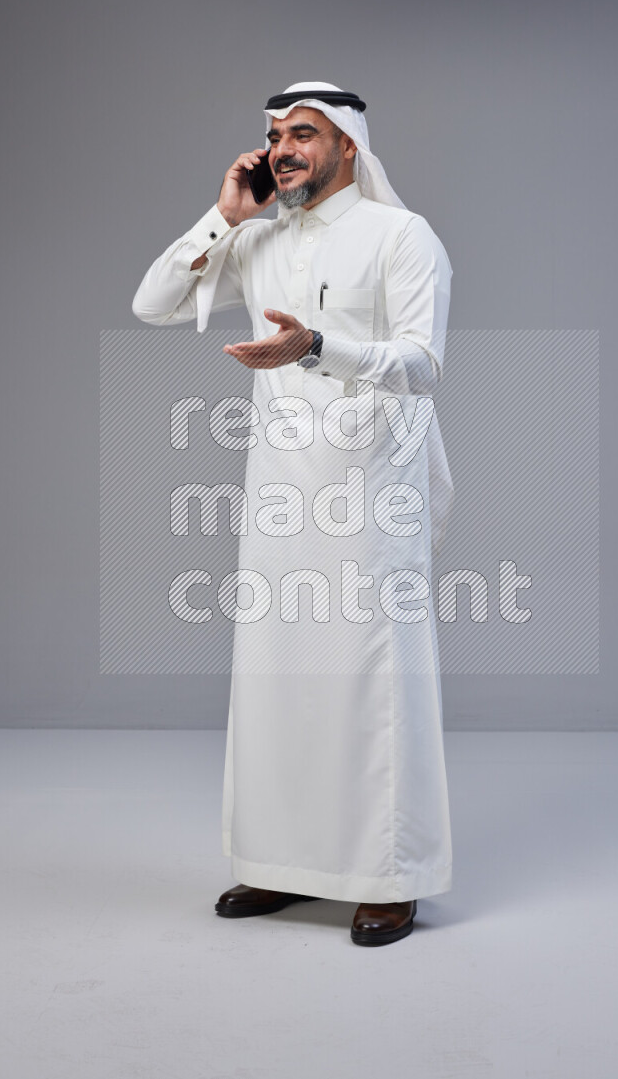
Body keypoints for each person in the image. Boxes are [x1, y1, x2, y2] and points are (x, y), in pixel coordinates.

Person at [133, 82, 454, 946]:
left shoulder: (402, 236)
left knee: (371, 685)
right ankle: (282, 866)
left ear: (348, 146)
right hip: (280, 494)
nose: (283, 148)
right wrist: (223, 215)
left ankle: (390, 874)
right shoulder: (258, 240)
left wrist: (316, 345)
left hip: (371, 490)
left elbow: (424, 363)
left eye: (303, 134)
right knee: (279, 681)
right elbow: (151, 304)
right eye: (274, 135)